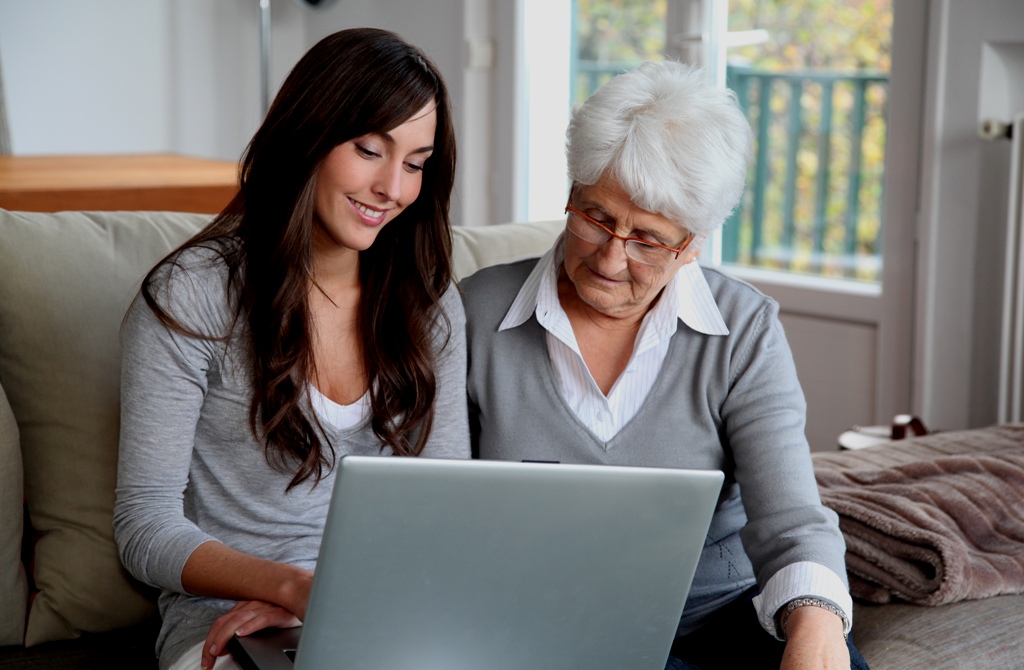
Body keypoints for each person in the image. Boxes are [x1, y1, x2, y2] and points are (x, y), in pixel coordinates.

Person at [462, 61, 869, 670]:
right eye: (595, 217)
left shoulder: (744, 329)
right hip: (540, 619)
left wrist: (817, 628)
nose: (610, 256)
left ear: (693, 244)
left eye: (648, 239)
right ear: (571, 195)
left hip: (716, 611)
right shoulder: (473, 314)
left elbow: (791, 517)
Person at [114, 28, 469, 670]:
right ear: (310, 133)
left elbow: (446, 513)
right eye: (369, 149)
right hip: (230, 623)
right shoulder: (193, 295)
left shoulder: (427, 304)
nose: (392, 186)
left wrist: (343, 599)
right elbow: (143, 526)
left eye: (416, 164)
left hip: (387, 614)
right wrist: (293, 588)